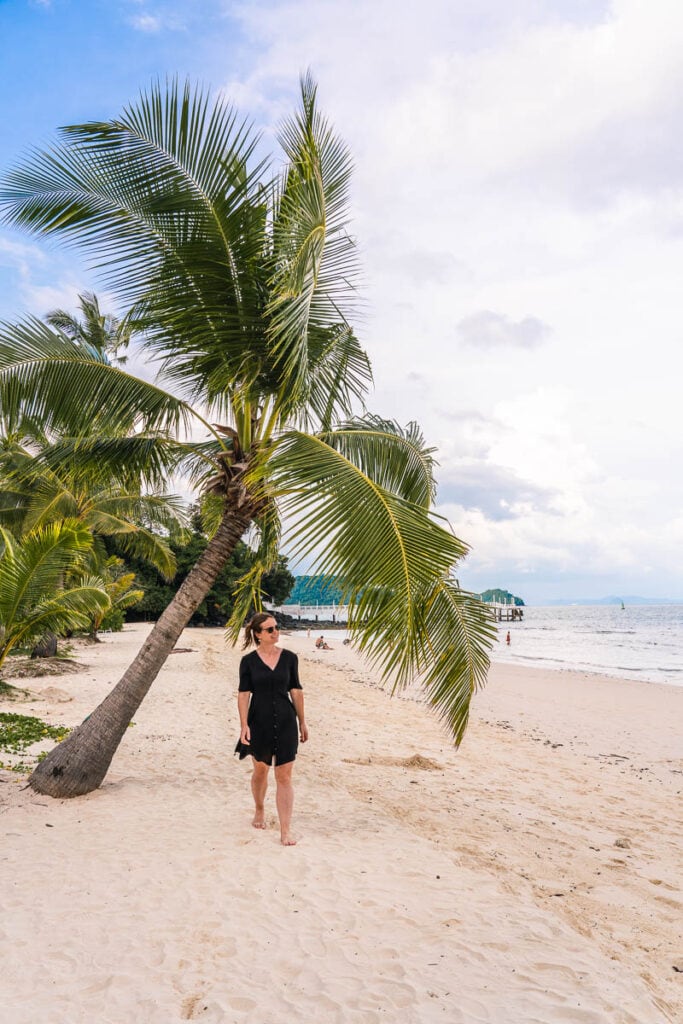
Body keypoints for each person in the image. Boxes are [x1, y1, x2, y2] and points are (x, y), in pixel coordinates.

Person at [236, 613, 308, 846]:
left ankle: (285, 830)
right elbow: (244, 694)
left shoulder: (289, 658)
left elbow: (296, 690)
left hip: (286, 721)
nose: (275, 632)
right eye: (269, 630)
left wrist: (303, 722)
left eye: (276, 628)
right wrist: (244, 725)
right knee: (260, 770)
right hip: (259, 722)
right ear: (258, 634)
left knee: (284, 776)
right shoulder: (248, 662)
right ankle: (259, 809)